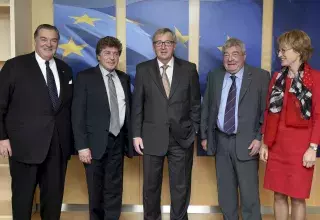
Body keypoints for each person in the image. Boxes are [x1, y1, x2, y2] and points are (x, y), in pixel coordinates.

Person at [0, 24, 73, 220]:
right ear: (35, 40)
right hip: (24, 146)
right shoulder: (14, 66)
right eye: (44, 39)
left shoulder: (65, 69)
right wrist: (2, 137)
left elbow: (66, 109)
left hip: (57, 147)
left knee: (53, 199)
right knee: (23, 199)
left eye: (53, 40)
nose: (49, 44)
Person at [131, 28, 201, 220]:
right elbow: (137, 104)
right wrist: (136, 134)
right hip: (151, 137)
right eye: (158, 43)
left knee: (180, 187)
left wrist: (194, 128)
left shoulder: (189, 69)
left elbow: (195, 103)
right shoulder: (143, 69)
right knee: (151, 187)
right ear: (153, 46)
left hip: (181, 138)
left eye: (167, 42)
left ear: (174, 45)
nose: (163, 46)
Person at [200, 38, 270, 220]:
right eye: (226, 54)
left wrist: (259, 137)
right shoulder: (215, 76)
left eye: (235, 54)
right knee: (226, 196)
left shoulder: (260, 76)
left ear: (244, 56)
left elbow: (267, 111)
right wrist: (205, 136)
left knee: (249, 197)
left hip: (248, 143)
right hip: (221, 141)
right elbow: (207, 107)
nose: (230, 59)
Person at [259, 30, 320, 220]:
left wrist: (313, 148)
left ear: (298, 51)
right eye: (279, 50)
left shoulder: (316, 78)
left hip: (301, 148)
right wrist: (265, 142)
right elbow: (269, 112)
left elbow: (318, 116)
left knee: (297, 198)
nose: (279, 54)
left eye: (284, 50)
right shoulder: (277, 77)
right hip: (277, 145)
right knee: (278, 194)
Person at [72, 36, 133, 220]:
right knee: (96, 191)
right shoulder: (85, 77)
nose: (112, 57)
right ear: (98, 56)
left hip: (117, 141)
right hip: (93, 144)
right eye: (107, 53)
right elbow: (77, 114)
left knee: (114, 189)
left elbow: (126, 110)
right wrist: (82, 146)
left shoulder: (123, 78)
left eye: (115, 53)